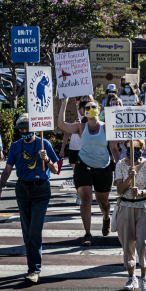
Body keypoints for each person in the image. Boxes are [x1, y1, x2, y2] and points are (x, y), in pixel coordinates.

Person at [0, 113, 59, 284]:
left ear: (34, 129)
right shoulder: (15, 146)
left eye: (27, 128)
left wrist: (47, 159)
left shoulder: (44, 143)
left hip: (41, 189)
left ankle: (34, 270)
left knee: (34, 232)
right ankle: (32, 263)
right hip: (22, 189)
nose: (24, 131)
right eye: (21, 129)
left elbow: (56, 169)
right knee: (27, 232)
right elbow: (7, 169)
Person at [58, 97, 120, 245]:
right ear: (84, 112)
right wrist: (64, 103)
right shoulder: (81, 127)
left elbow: (113, 149)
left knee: (103, 202)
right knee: (85, 198)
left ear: (99, 110)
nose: (90, 109)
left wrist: (120, 165)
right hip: (83, 166)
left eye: (93, 107)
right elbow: (61, 124)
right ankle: (87, 233)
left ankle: (106, 217)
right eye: (87, 108)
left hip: (103, 167)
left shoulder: (106, 127)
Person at [114, 139, 146, 291]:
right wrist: (129, 179)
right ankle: (132, 277)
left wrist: (141, 192)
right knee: (127, 243)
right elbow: (119, 189)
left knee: (144, 242)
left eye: (137, 148)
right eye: (129, 148)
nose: (134, 151)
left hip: (144, 207)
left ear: (143, 148)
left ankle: (144, 277)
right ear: (125, 149)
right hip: (126, 207)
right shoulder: (120, 165)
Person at [59, 100, 86, 206]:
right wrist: (62, 149)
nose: (87, 112)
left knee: (85, 173)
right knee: (76, 174)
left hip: (85, 148)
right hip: (74, 148)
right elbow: (66, 133)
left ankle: (85, 191)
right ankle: (79, 193)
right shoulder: (74, 115)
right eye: (85, 109)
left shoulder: (90, 117)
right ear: (80, 108)